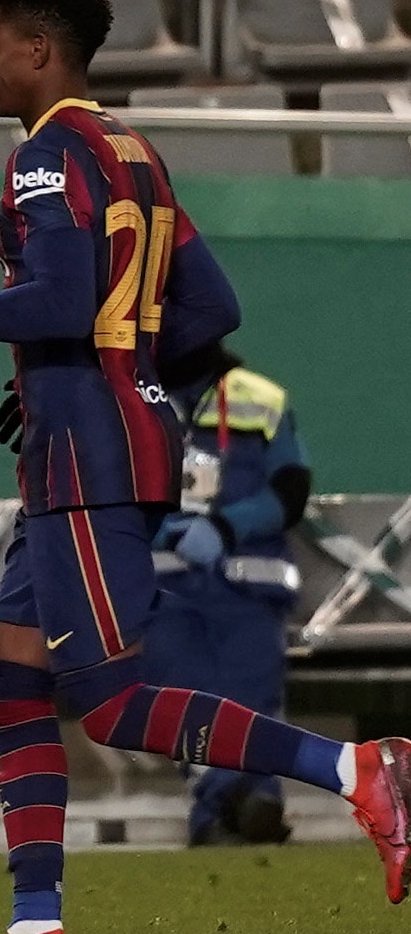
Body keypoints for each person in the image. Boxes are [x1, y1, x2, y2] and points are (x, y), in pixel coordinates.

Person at [0, 0, 411, 934]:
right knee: (13, 673)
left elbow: (57, 302)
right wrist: (110, 372)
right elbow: (209, 308)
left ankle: (360, 769)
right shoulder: (134, 151)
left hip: (91, 463)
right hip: (76, 449)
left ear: (39, 49)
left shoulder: (48, 157)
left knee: (106, 701)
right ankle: (37, 933)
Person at [143, 344, 310, 845]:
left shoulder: (261, 399)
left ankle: (225, 815)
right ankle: (248, 802)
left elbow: (291, 490)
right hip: (160, 590)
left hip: (248, 585)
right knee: (181, 701)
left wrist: (227, 527)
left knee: (250, 699)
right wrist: (160, 528)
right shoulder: (126, 402)